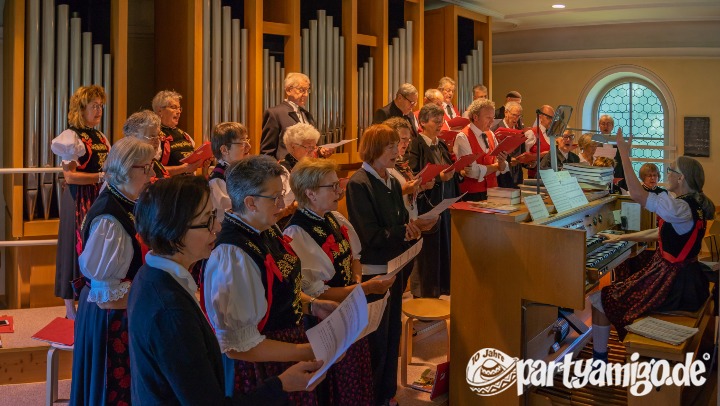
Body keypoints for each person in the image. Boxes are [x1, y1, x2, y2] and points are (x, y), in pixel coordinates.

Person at [129, 175, 324, 404]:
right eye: (207, 221)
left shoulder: (150, 273)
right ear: (173, 233)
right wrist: (281, 385)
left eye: (214, 215)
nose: (218, 227)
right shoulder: (170, 311)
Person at [204, 155, 336, 404]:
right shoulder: (232, 255)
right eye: (274, 197)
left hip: (286, 348)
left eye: (281, 194)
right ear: (250, 202)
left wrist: (312, 304)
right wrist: (309, 350)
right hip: (263, 368)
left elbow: (276, 287)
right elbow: (239, 346)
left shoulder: (266, 226)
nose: (282, 203)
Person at [590, 130, 715, 362]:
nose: (667, 174)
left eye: (670, 170)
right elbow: (662, 234)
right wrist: (622, 238)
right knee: (625, 276)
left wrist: (624, 154)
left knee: (601, 300)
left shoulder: (679, 208)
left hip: (674, 285)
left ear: (681, 178)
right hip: (685, 278)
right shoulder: (689, 204)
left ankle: (599, 362)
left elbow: (637, 195)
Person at [285, 158, 397, 405]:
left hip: (348, 308)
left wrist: (356, 283)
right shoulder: (296, 234)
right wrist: (363, 289)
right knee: (337, 384)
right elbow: (315, 293)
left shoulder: (334, 217)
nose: (340, 191)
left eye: (339, 184)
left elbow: (354, 257)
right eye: (332, 186)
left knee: (358, 373)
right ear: (310, 193)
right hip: (324, 318)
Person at [346, 124, 437, 406]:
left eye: (397, 145)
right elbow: (369, 235)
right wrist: (403, 231)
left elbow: (399, 222)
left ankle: (388, 393)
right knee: (376, 340)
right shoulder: (359, 183)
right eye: (390, 146)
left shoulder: (392, 181)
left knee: (391, 334)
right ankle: (373, 398)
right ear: (374, 149)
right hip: (375, 272)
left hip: (396, 266)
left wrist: (416, 228)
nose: (397, 151)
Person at [70, 136, 155, 405]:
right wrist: (154, 298)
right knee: (113, 390)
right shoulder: (110, 219)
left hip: (121, 310)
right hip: (111, 319)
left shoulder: (124, 200)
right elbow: (106, 296)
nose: (152, 174)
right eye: (146, 167)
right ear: (127, 169)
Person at [51, 85, 111, 319]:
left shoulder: (100, 136)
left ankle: (91, 299)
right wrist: (101, 177)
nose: (99, 110)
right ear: (81, 108)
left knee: (94, 246)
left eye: (101, 106)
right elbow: (70, 176)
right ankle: (70, 308)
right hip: (78, 197)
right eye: (94, 106)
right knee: (72, 247)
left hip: (97, 195)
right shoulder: (71, 136)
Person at [407, 104, 460, 298]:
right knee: (427, 253)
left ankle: (440, 290)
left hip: (443, 204)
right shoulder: (416, 144)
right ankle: (424, 294)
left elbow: (447, 168)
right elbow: (412, 174)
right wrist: (439, 177)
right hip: (426, 204)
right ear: (422, 122)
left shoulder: (441, 143)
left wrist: (455, 171)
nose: (440, 125)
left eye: (441, 121)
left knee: (442, 248)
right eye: (436, 121)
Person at [261, 72, 327, 160]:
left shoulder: (307, 115)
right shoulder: (275, 113)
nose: (306, 94)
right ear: (288, 90)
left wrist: (320, 152)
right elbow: (267, 152)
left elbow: (310, 146)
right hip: (286, 166)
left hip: (308, 166)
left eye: (307, 90)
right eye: (302, 90)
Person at [453, 99, 509, 202]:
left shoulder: (491, 134)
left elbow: (503, 167)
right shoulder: (463, 137)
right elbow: (472, 172)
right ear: (475, 117)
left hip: (493, 191)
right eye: (488, 118)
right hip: (472, 195)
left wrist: (501, 164)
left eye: (493, 118)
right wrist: (496, 166)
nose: (492, 121)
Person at [152, 90, 205, 176]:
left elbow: (193, 167)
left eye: (179, 108)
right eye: (173, 107)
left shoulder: (185, 136)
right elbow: (152, 169)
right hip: (169, 184)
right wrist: (184, 169)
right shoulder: (153, 137)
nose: (178, 111)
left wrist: (202, 163)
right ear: (159, 111)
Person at [209, 122, 252, 223]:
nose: (248, 146)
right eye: (242, 142)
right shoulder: (218, 178)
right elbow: (228, 209)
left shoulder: (240, 170)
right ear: (224, 150)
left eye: (247, 140)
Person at [122, 109, 170, 180]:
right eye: (152, 136)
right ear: (133, 136)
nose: (157, 140)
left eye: (158, 135)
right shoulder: (128, 167)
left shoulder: (154, 162)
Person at [491, 101, 525, 188]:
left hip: (517, 174)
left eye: (518, 116)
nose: (516, 119)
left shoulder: (520, 130)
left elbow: (522, 151)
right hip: (502, 175)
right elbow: (493, 154)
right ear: (506, 112)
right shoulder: (495, 130)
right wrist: (509, 160)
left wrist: (525, 160)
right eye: (514, 115)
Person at [524, 105, 555, 178]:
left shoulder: (553, 135)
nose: (551, 121)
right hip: (535, 177)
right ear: (540, 117)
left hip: (550, 177)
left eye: (553, 118)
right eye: (548, 118)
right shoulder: (531, 133)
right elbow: (525, 158)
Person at [598, 114, 625, 180]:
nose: (605, 126)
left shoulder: (618, 142)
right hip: (598, 174)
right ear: (599, 125)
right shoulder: (594, 142)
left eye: (608, 124)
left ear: (612, 126)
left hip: (615, 175)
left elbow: (621, 163)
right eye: (603, 124)